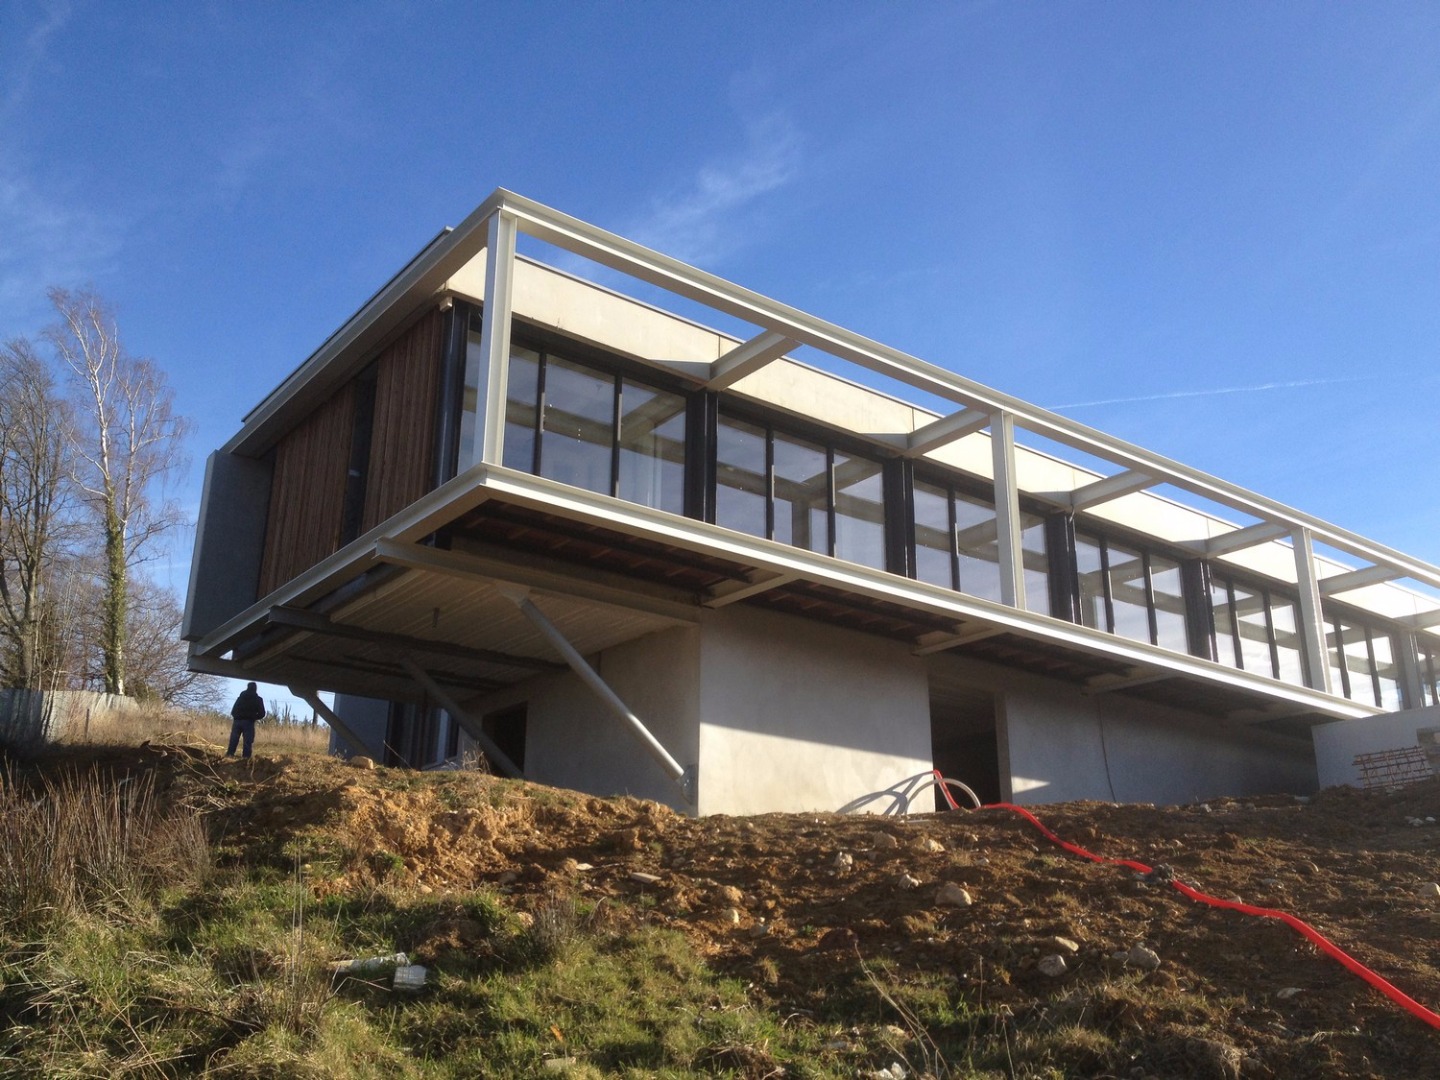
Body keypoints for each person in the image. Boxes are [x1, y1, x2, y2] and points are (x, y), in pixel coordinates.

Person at [227, 682, 266, 758]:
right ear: (255, 688)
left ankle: (229, 755)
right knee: (248, 741)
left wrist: (237, 717)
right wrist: (254, 717)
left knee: (233, 739)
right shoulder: (258, 699)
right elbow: (262, 713)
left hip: (237, 721)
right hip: (248, 722)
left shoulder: (240, 698)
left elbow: (233, 711)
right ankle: (245, 758)